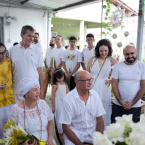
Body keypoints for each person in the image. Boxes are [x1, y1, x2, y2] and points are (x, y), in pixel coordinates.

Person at [59, 70, 105, 145]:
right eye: (87, 80)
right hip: (74, 136)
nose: (90, 82)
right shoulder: (68, 99)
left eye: (90, 79)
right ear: (77, 82)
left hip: (92, 134)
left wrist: (98, 139)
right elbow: (65, 128)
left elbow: (100, 120)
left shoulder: (95, 95)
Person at [9, 78, 56, 145]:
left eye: (38, 88)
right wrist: (22, 144)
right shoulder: (16, 109)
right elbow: (11, 132)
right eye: (35, 90)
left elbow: (50, 122)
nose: (38, 92)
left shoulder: (43, 104)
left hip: (47, 142)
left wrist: (50, 138)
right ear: (26, 94)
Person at [86, 39, 118, 129]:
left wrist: (112, 80)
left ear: (109, 50)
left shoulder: (111, 60)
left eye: (105, 51)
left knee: (104, 108)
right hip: (92, 86)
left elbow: (122, 69)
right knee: (91, 107)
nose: (103, 53)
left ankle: (104, 130)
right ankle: (90, 130)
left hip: (105, 88)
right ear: (97, 50)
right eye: (101, 51)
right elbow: (86, 73)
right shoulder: (92, 59)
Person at [9, 25, 44, 102]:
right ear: (22, 35)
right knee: (19, 114)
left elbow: (40, 72)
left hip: (33, 92)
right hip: (18, 92)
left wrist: (42, 89)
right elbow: (9, 72)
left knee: (33, 113)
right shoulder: (11, 51)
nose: (31, 38)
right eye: (29, 36)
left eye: (32, 36)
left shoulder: (37, 51)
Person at [111, 45, 145, 123]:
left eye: (132, 53)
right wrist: (120, 101)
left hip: (135, 106)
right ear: (124, 55)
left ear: (136, 53)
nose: (130, 56)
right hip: (118, 105)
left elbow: (143, 87)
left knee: (133, 132)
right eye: (127, 54)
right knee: (116, 130)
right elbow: (114, 85)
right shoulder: (118, 66)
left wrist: (133, 103)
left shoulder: (142, 66)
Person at [0, 43, 15, 139]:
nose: (3, 55)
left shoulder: (9, 62)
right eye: (0, 53)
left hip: (10, 99)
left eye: (4, 52)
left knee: (10, 123)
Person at [51, 68, 69, 143]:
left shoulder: (65, 84)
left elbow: (68, 93)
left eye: (62, 77)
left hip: (65, 104)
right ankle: (60, 134)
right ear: (55, 78)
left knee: (65, 117)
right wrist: (54, 106)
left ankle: (65, 132)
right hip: (58, 104)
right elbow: (52, 96)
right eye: (59, 78)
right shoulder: (55, 86)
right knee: (59, 119)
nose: (61, 79)